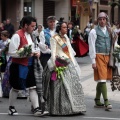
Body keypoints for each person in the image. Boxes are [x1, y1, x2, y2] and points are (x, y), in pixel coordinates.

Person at [42, 20, 86, 115]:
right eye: (64, 27)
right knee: (60, 87)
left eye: (66, 27)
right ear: (59, 29)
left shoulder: (66, 37)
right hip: (59, 62)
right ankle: (59, 108)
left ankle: (75, 107)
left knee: (73, 85)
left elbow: (69, 51)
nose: (66, 29)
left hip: (68, 63)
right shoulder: (54, 38)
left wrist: (74, 63)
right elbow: (53, 52)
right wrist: (55, 66)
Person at [8, 16, 45, 116]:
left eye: (34, 26)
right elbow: (11, 53)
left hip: (29, 65)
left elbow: (33, 48)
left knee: (32, 87)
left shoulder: (30, 35)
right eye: (32, 26)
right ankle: (11, 107)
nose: (34, 28)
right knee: (16, 87)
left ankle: (36, 109)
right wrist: (25, 54)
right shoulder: (17, 36)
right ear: (25, 25)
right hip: (18, 66)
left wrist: (37, 53)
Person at [88, 12, 114, 110]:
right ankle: (106, 101)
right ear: (97, 20)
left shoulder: (109, 30)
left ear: (106, 20)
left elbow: (113, 44)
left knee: (102, 78)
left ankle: (97, 100)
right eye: (100, 19)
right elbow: (92, 46)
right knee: (102, 79)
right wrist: (93, 61)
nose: (102, 21)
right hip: (98, 56)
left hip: (107, 56)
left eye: (104, 19)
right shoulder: (93, 32)